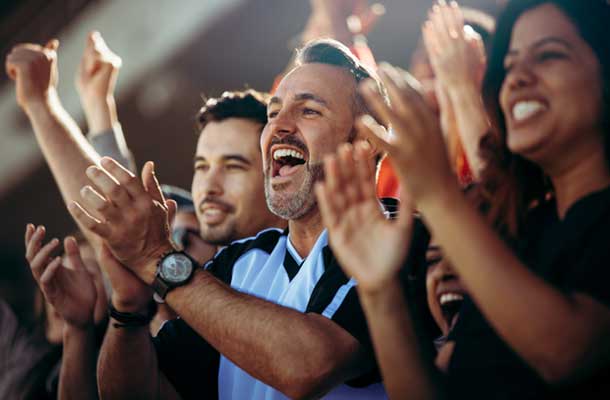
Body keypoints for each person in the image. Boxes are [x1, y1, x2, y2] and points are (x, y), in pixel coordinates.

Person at [316, 0, 610, 398]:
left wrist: (437, 194)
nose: (518, 78)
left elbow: (566, 353)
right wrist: (379, 291)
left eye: (550, 55)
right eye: (508, 66)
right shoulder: (517, 238)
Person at [68, 39, 388, 399]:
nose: (279, 127)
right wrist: (127, 309)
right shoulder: (239, 263)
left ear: (365, 141)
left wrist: (159, 260)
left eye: (309, 111)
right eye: (273, 113)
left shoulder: (402, 236)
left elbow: (308, 366)